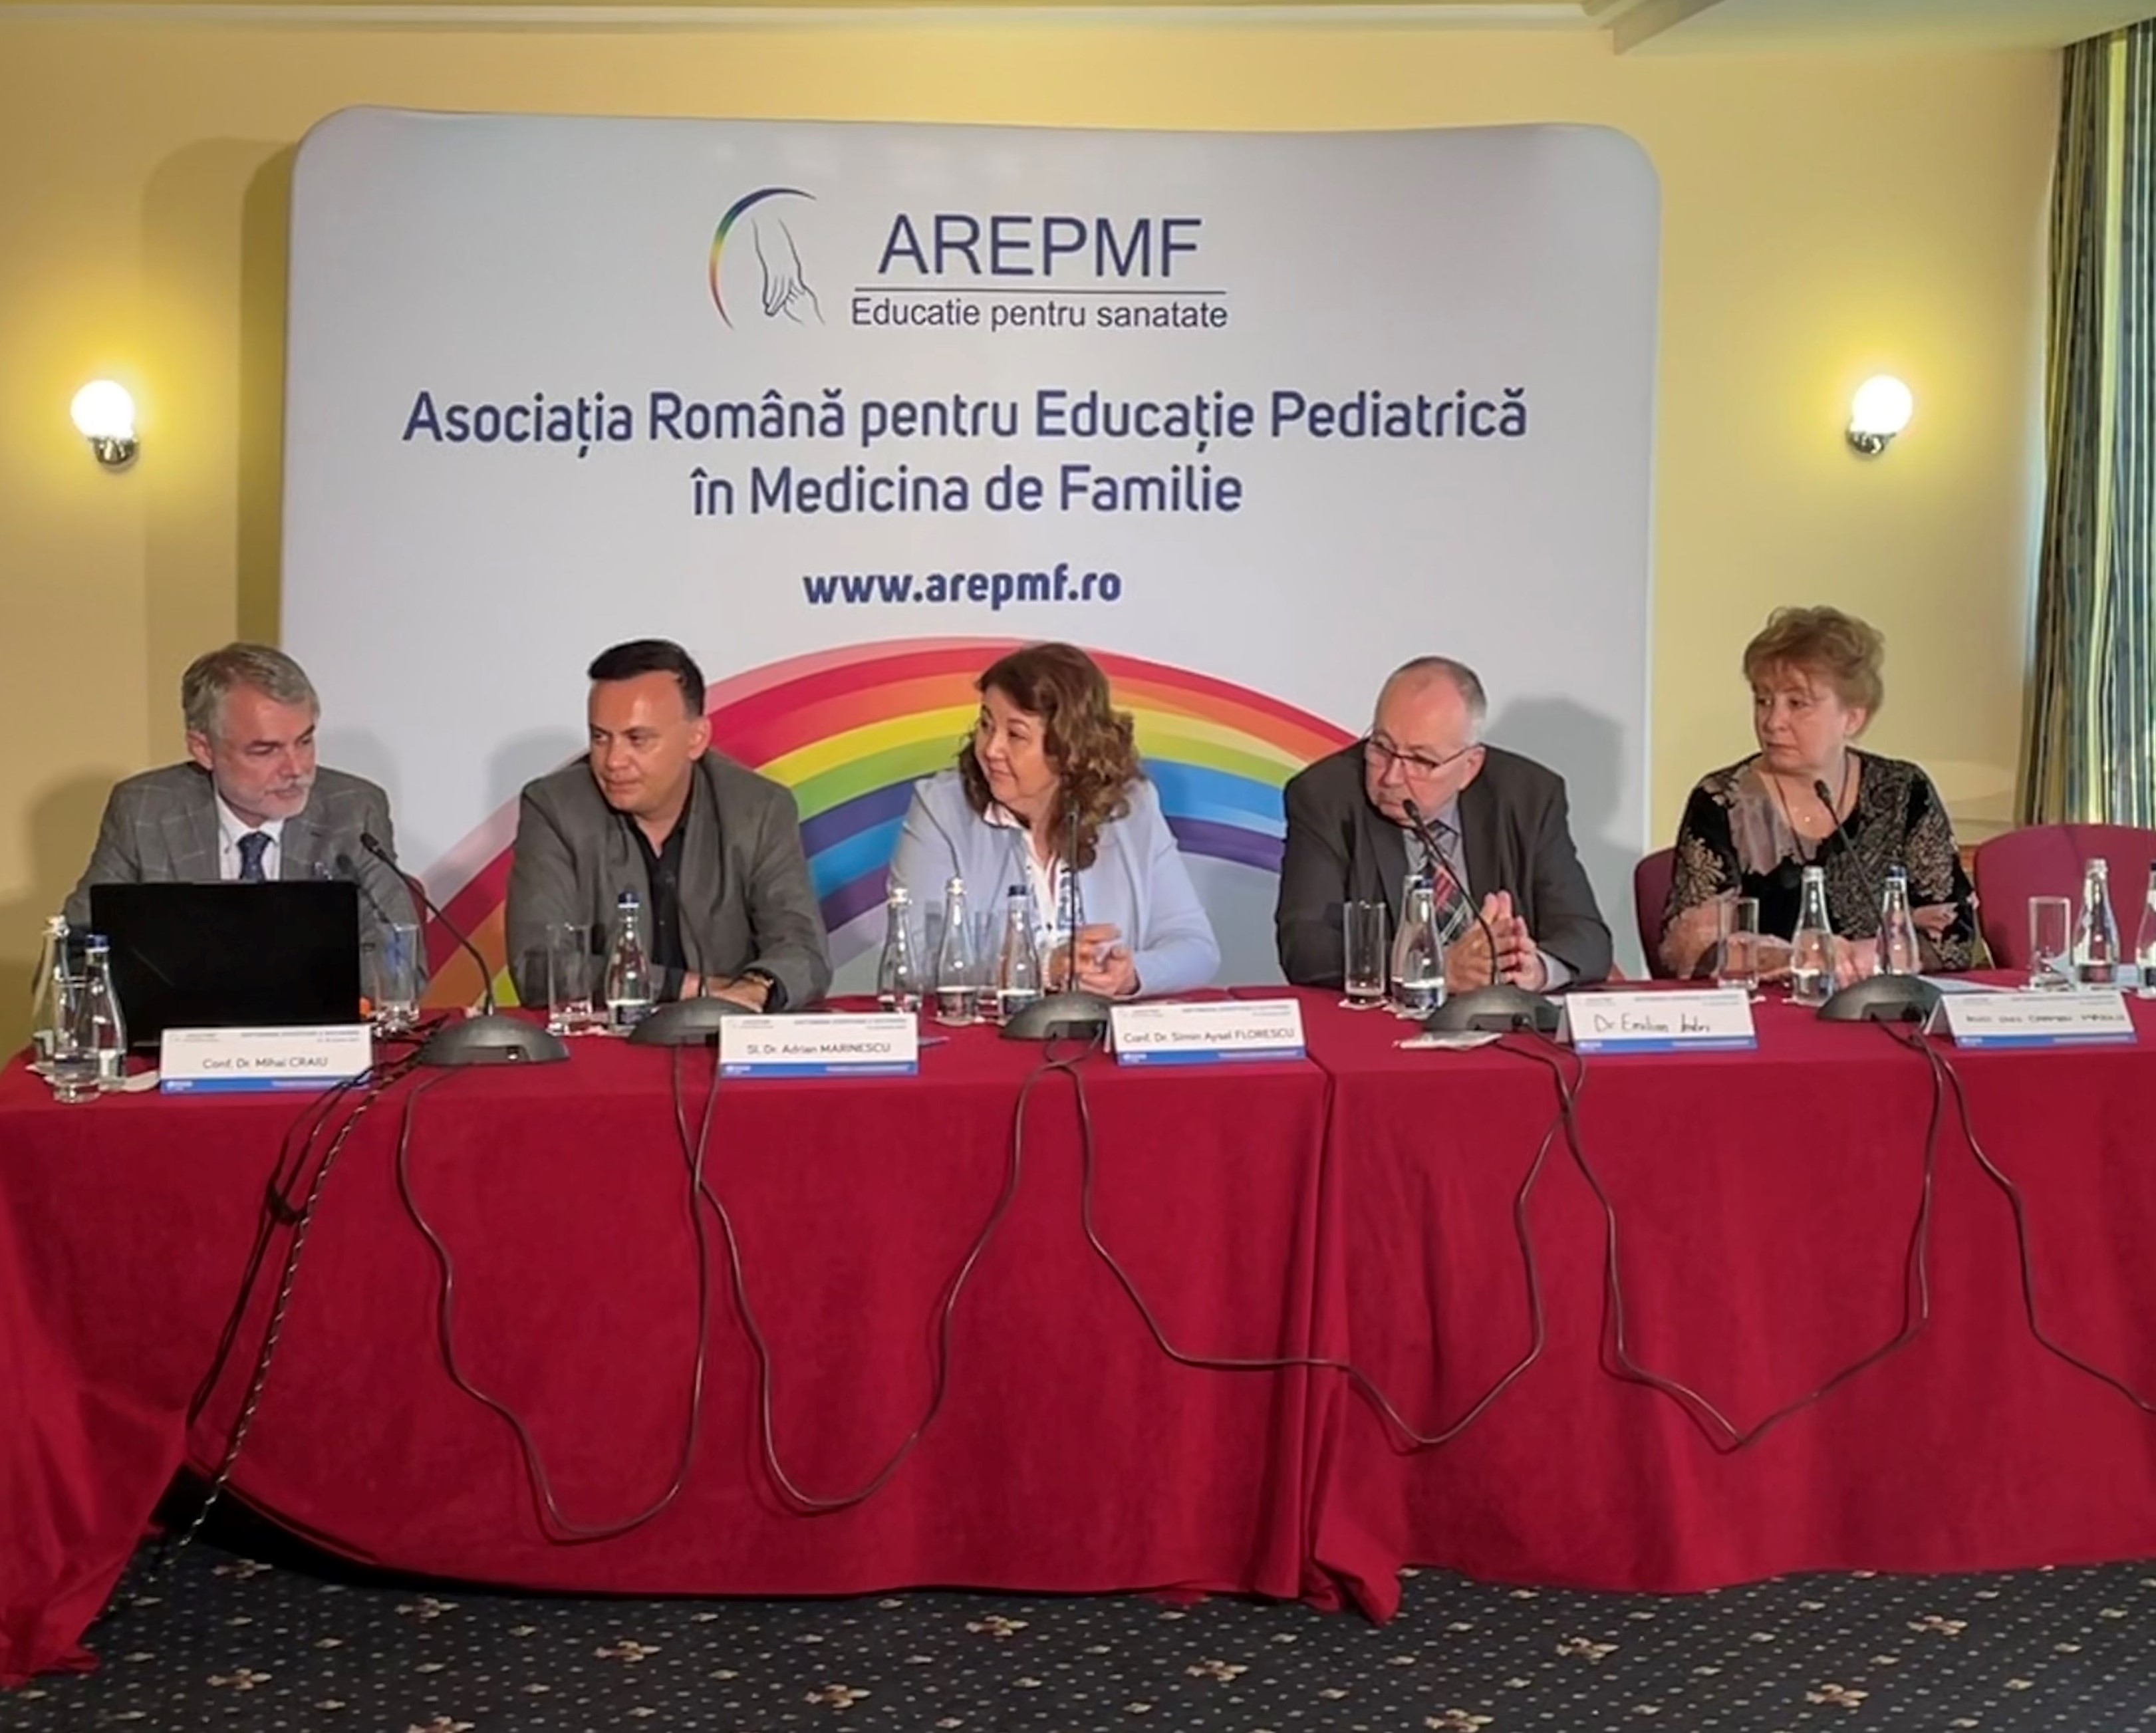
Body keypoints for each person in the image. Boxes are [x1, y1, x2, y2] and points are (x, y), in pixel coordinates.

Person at [505, 638, 830, 1011]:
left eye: (637, 739)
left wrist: (755, 990)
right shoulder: (555, 808)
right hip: (608, 1041)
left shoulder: (758, 810)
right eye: (600, 738)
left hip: (723, 1034)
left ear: (696, 739)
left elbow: (803, 951)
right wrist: (689, 988)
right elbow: (539, 967)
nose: (613, 761)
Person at [64, 641, 423, 979]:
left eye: (304, 741)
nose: (296, 768)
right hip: (184, 1023)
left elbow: (400, 964)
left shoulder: (354, 811)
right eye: (266, 750)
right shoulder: (145, 811)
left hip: (316, 1025)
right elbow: (73, 953)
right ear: (204, 749)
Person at [1659, 606, 1976, 981]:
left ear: (1852, 718)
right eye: (1763, 700)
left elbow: (1954, 935)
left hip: (1882, 1001)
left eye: (1797, 704)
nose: (1773, 721)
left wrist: (1871, 955)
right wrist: (1800, 958)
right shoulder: (1721, 802)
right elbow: (1689, 949)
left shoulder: (1904, 791)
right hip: (1766, 1007)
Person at [886, 642, 1220, 998]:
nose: (991, 749)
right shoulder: (942, 808)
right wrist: (1044, 967)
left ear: (1067, 747)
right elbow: (916, 957)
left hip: (1101, 1028)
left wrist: (1132, 974)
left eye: (1015, 735)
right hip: (990, 1031)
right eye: (986, 725)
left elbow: (1195, 947)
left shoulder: (1130, 807)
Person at [1275, 656, 1613, 991]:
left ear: (1470, 766)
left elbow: (1587, 936)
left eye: (1421, 760)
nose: (1391, 777)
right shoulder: (1325, 797)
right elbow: (1305, 947)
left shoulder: (1528, 798)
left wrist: (1534, 967)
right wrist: (1433, 967)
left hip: (1502, 1016)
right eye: (1381, 747)